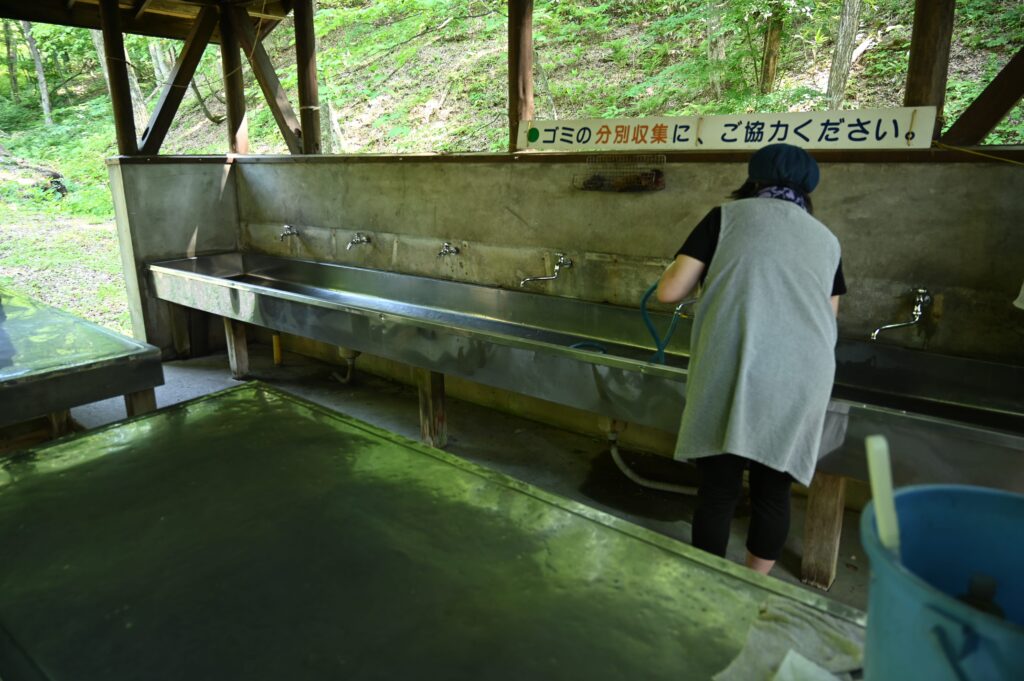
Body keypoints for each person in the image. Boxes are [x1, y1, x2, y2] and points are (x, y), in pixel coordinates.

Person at [656, 143, 846, 575]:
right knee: (772, 491)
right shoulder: (827, 240)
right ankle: (753, 587)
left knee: (718, 489)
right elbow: (827, 320)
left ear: (754, 179)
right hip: (802, 375)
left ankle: (710, 584)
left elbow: (669, 292)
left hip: (735, 364)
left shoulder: (725, 217)